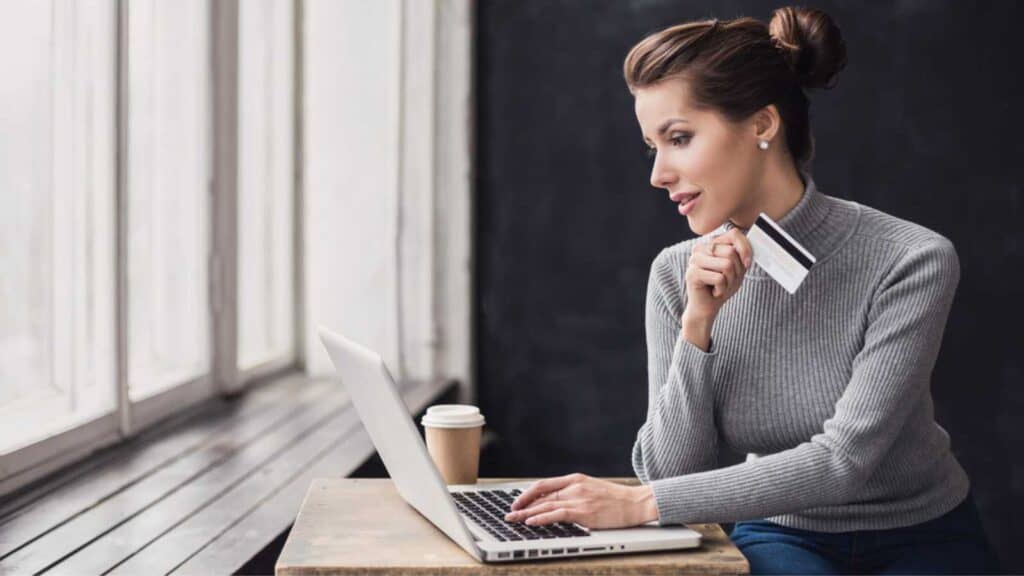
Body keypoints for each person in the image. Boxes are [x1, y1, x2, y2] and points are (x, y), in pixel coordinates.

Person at [503, 7, 1001, 574]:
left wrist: (639, 504)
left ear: (763, 125)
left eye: (680, 138)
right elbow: (673, 476)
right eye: (652, 146)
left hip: (923, 532)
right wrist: (698, 325)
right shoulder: (676, 275)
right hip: (784, 531)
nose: (657, 173)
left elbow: (845, 460)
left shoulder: (910, 259)